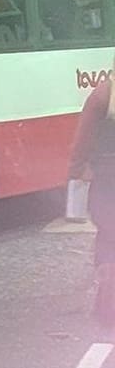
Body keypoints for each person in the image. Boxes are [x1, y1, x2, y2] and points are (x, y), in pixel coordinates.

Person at [68, 57, 115, 325]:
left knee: (109, 236)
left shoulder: (101, 95)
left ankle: (108, 303)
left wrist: (75, 172)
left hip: (106, 181)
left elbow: (81, 142)